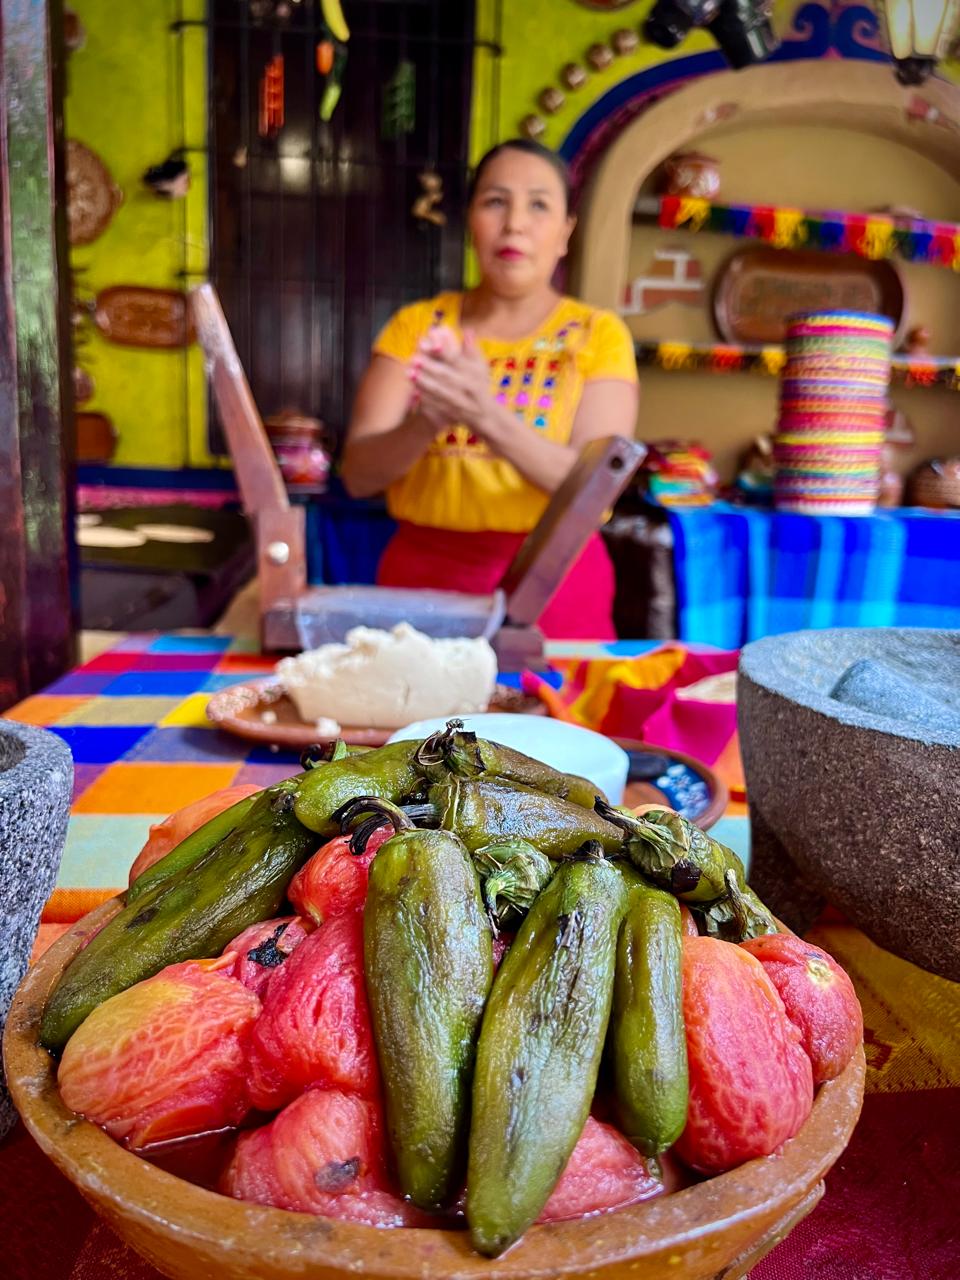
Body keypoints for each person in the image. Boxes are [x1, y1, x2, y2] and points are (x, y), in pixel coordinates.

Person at [341, 138, 639, 639]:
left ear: (565, 233)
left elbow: (597, 487)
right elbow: (359, 476)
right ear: (471, 223)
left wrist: (483, 413)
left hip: (553, 589)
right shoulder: (415, 327)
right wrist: (429, 419)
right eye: (495, 201)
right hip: (422, 589)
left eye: (538, 205)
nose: (515, 223)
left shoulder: (598, 335)